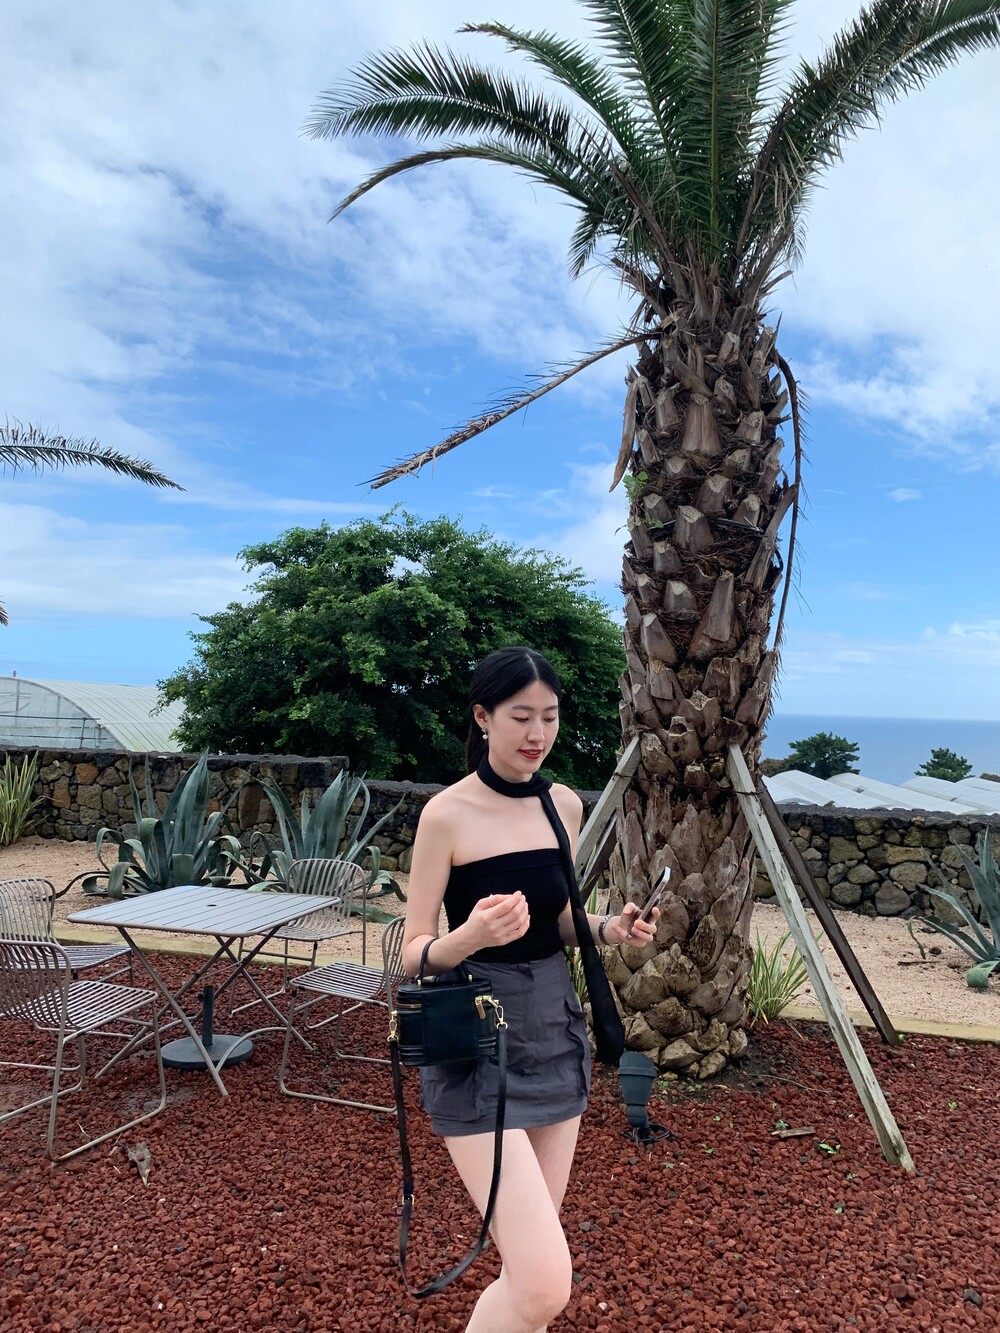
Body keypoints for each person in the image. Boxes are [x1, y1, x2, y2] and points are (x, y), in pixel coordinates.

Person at [403, 646, 659, 1332]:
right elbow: (411, 953)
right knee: (545, 1281)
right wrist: (469, 937)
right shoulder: (446, 815)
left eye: (549, 716)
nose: (537, 733)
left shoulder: (562, 804)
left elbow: (561, 919)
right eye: (521, 717)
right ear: (483, 717)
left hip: (552, 1027)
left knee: (527, 1276)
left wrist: (610, 928)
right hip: (478, 1039)